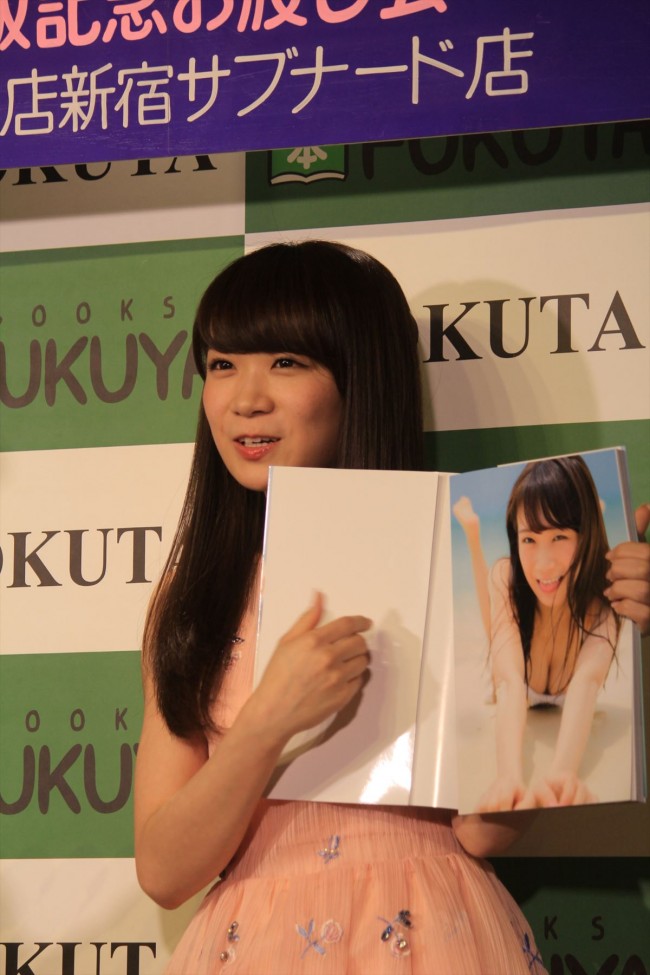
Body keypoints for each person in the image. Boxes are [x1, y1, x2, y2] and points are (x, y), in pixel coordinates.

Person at [134, 240, 647, 973]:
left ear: (360, 377)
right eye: (222, 365)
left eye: (286, 362)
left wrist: (596, 628)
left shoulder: (460, 562)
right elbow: (163, 869)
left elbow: (483, 833)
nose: (244, 398)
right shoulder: (198, 591)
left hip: (436, 934)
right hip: (254, 942)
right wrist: (269, 720)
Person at [453, 459, 650, 813]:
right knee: (496, 629)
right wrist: (508, 777)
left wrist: (563, 772)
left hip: (566, 682)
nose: (543, 563)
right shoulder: (508, 575)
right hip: (518, 682)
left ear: (584, 536)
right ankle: (472, 533)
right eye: (529, 539)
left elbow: (586, 683)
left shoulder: (604, 597)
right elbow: (510, 683)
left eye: (559, 536)